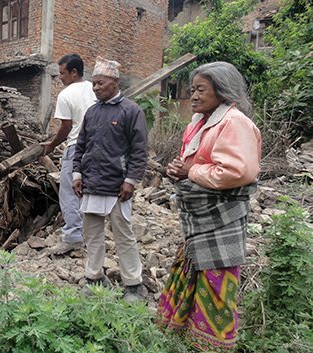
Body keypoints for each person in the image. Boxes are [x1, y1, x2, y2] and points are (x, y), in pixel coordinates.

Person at [157, 61, 261, 352]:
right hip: (199, 218)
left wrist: (190, 173)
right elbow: (196, 163)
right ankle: (185, 334)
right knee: (193, 268)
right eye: (192, 90)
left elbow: (237, 172)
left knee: (215, 280)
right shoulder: (198, 123)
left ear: (223, 91)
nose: (194, 96)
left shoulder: (234, 122)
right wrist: (179, 168)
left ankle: (210, 344)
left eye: (201, 89)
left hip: (220, 217)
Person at [72, 56, 147, 302]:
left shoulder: (131, 111)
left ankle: (134, 285)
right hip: (92, 185)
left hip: (117, 187)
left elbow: (139, 151)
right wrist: (77, 174)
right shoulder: (92, 112)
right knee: (92, 235)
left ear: (115, 82)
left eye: (100, 83)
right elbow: (80, 146)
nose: (95, 88)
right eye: (93, 83)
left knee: (123, 236)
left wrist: (131, 180)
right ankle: (94, 279)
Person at [43, 53, 96, 255]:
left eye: (62, 73)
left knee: (69, 192)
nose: (60, 77)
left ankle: (73, 236)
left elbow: (66, 127)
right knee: (89, 192)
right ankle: (90, 234)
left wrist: (52, 144)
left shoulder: (66, 94)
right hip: (96, 150)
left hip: (75, 148)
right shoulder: (95, 88)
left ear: (74, 72)